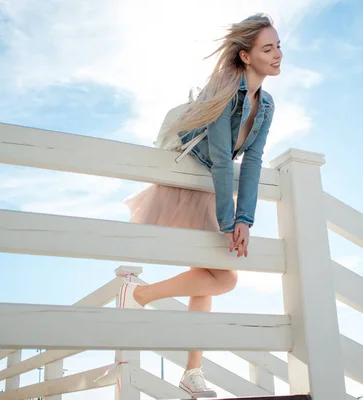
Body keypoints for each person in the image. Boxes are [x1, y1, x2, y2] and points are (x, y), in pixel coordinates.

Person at [119, 13, 282, 398]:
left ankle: (191, 370)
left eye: (278, 46)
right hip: (191, 185)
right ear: (245, 56)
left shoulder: (268, 104)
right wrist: (232, 222)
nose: (277, 55)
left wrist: (245, 218)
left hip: (214, 191)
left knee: (213, 276)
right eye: (267, 48)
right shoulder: (225, 90)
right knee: (222, 276)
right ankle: (140, 298)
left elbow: (253, 161)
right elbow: (224, 158)